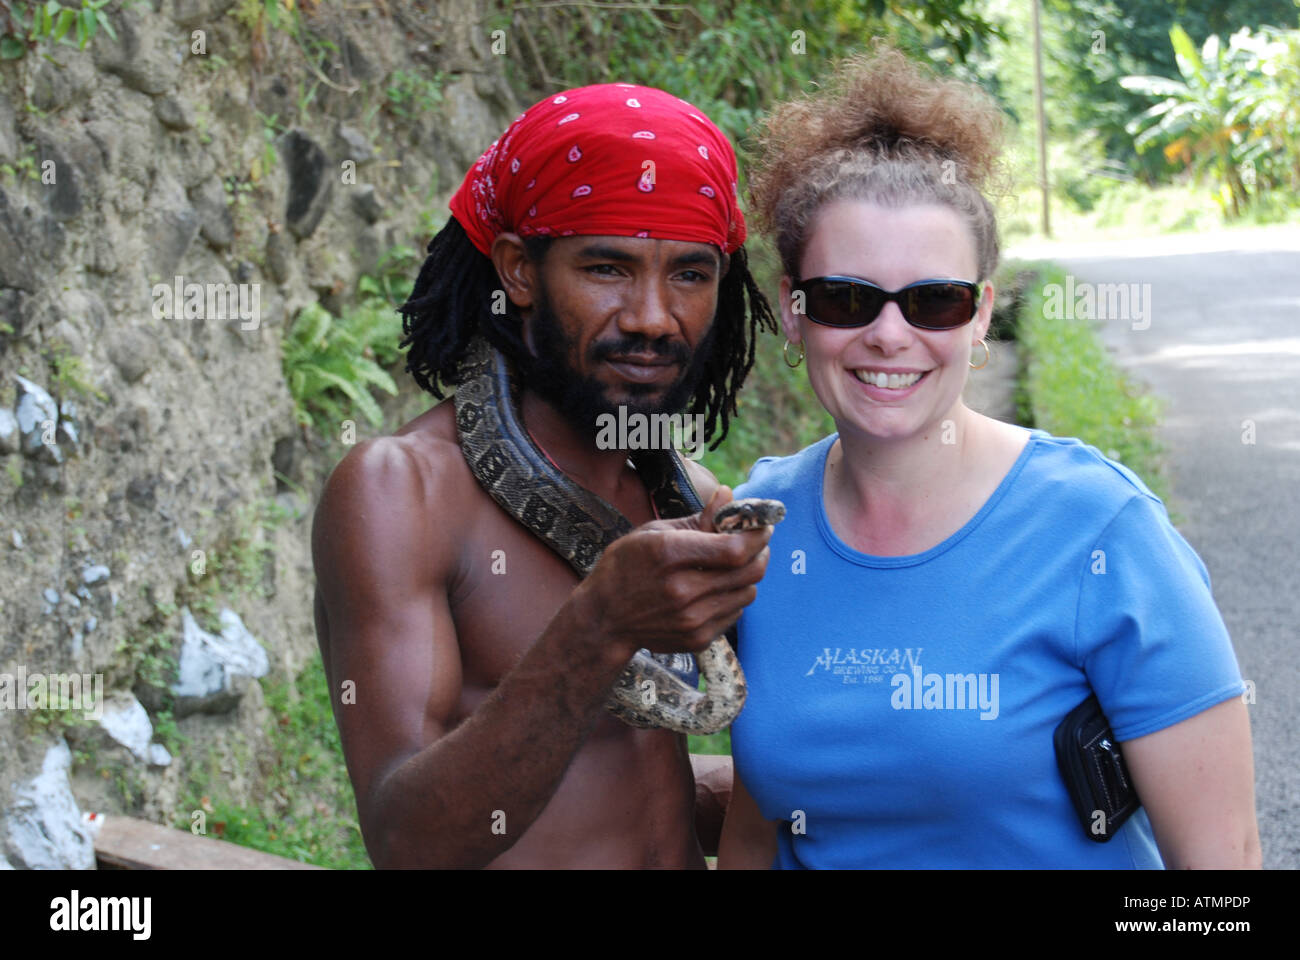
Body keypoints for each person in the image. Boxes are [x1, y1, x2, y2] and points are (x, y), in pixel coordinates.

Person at [717, 44, 1261, 869]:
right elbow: (759, 829)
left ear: (981, 318)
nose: (889, 334)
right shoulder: (762, 527)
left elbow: (1221, 873)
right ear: (793, 315)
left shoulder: (1100, 529)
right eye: (845, 299)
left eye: (934, 300)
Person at [311, 83, 777, 868]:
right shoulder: (402, 493)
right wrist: (599, 627)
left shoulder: (690, 500)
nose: (653, 317)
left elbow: (617, 776)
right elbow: (408, 842)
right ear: (519, 270)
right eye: (608, 268)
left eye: (691, 275)